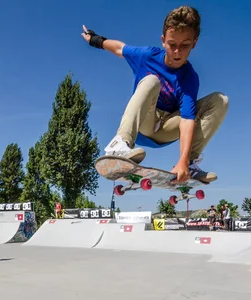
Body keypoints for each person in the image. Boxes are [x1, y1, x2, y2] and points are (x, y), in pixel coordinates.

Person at [81, 5, 229, 184]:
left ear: (194, 43)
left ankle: (189, 165)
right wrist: (95, 40)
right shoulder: (147, 56)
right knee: (151, 80)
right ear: (163, 40)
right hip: (145, 123)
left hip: (167, 130)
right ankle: (120, 144)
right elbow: (120, 49)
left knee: (220, 101)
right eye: (172, 44)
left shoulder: (190, 77)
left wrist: (182, 160)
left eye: (185, 46)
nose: (177, 52)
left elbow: (187, 120)